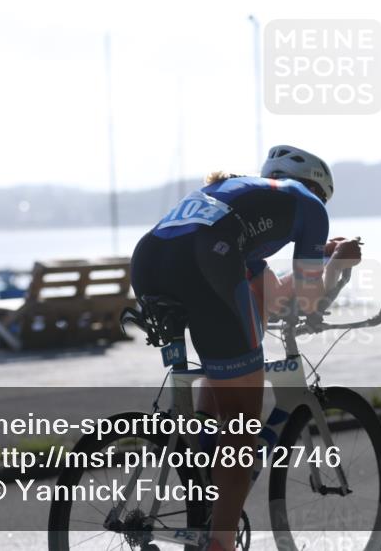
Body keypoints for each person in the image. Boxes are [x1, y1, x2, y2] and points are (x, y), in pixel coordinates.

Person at [129, 145, 361, 551]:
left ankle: (201, 487)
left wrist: (319, 260)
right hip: (207, 260)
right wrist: (337, 263)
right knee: (242, 426)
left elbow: (268, 301)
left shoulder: (239, 201)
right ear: (317, 190)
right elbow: (306, 302)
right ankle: (219, 545)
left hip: (149, 259)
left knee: (221, 380)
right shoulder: (310, 206)